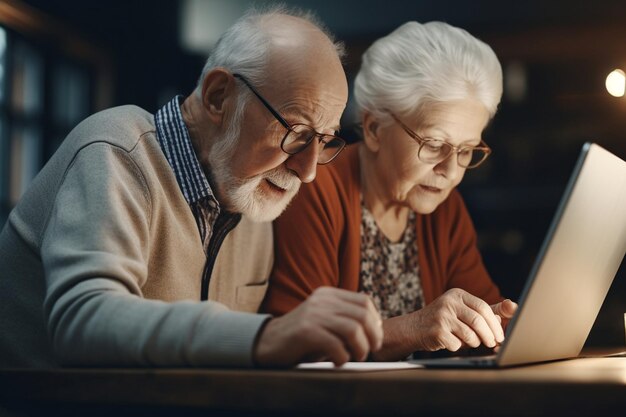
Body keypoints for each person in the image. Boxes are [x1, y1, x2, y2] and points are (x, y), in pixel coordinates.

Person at [0, 7, 383, 369]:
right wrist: (266, 335)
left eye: (326, 140)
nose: (309, 171)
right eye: (296, 133)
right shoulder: (116, 152)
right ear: (218, 95)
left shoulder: (253, 198)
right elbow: (81, 321)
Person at [262, 21, 518, 361]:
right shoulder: (316, 187)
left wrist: (499, 325)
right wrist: (413, 328)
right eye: (435, 144)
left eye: (467, 149)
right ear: (373, 129)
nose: (451, 171)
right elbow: (295, 342)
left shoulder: (445, 208)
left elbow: (481, 317)